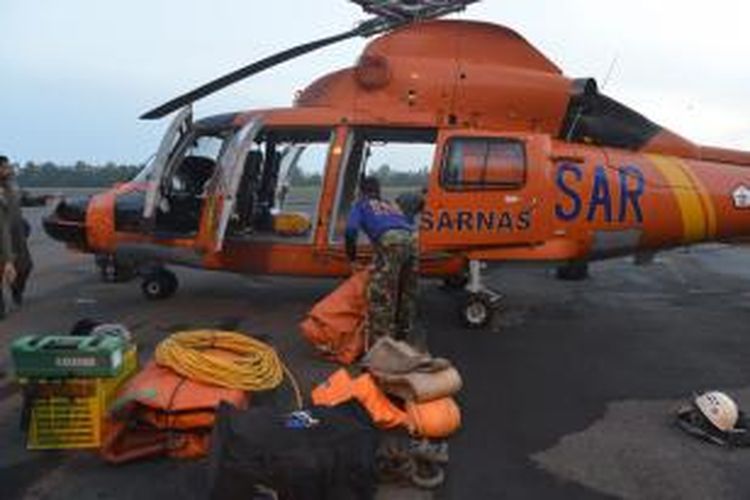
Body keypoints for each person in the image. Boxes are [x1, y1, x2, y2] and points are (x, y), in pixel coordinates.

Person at [345, 176, 418, 344]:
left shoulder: (361, 205)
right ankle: (403, 338)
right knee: (406, 292)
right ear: (378, 191)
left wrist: (352, 258)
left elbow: (350, 230)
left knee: (381, 296)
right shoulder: (390, 204)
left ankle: (380, 347)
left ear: (361, 192)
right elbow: (404, 223)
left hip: (390, 241)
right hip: (412, 241)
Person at [0, 156, 32, 318]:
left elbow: (24, 199)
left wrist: (45, 198)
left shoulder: (13, 185)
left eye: (9, 167)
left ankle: (16, 290)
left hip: (17, 234)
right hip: (2, 236)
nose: (9, 170)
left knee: (26, 266)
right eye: (5, 167)